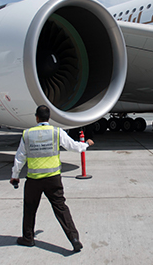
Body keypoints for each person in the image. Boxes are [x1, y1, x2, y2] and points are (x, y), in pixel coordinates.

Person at [9, 105, 94, 252]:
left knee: (30, 209)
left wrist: (15, 176)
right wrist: (85, 144)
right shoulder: (56, 132)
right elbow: (73, 146)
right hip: (53, 179)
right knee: (61, 209)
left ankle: (28, 238)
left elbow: (19, 158)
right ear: (49, 118)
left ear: (36, 117)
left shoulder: (27, 134)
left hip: (33, 179)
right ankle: (74, 239)